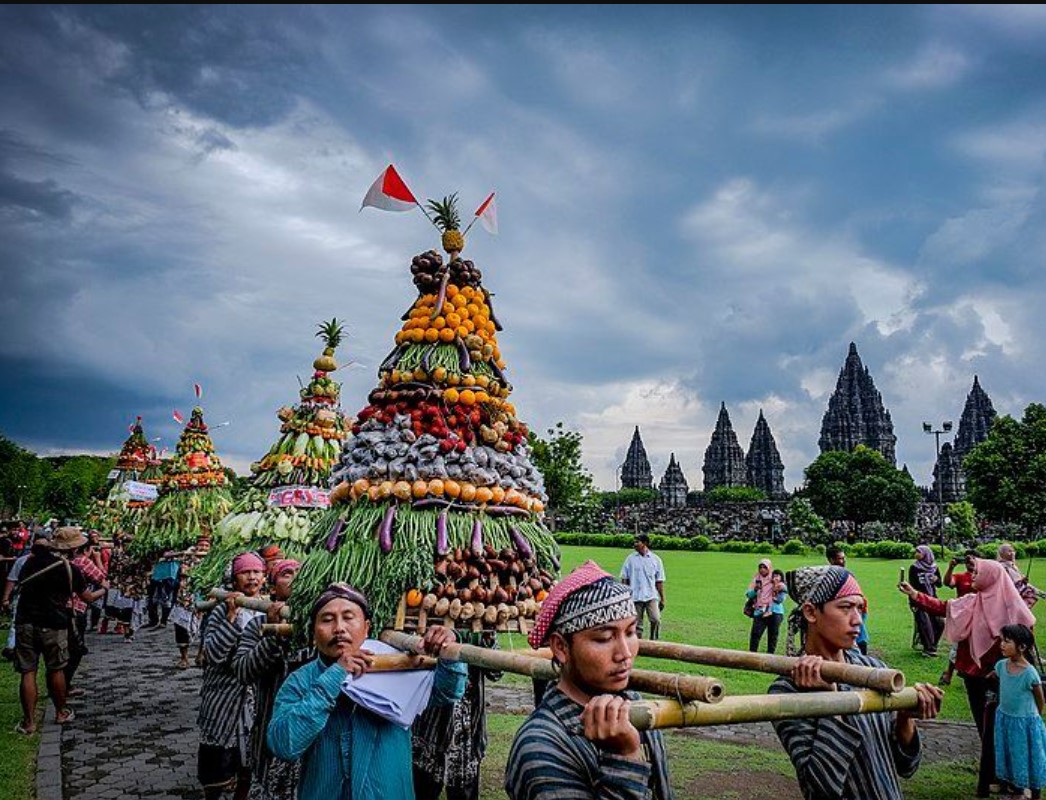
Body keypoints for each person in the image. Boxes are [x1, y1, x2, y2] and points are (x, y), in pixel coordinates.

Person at [267, 583, 467, 800]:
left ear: (366, 628)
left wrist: (449, 651)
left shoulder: (397, 666)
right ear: (314, 634)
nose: (339, 628)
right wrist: (335, 676)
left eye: (348, 617)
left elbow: (449, 692)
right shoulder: (301, 681)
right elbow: (284, 745)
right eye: (327, 619)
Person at [505, 560, 673, 800]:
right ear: (561, 647)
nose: (624, 653)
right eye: (604, 638)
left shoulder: (634, 705)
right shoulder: (540, 746)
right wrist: (625, 757)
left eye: (631, 632)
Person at [772, 565, 942, 800]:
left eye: (859, 609)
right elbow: (821, 786)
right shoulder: (787, 690)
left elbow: (906, 766)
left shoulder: (875, 672)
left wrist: (905, 717)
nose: (857, 620)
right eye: (845, 608)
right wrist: (830, 702)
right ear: (811, 612)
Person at [900, 558, 1037, 797]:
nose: (972, 577)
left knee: (1008, 728)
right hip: (974, 675)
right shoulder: (972, 602)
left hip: (1005, 679)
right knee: (985, 728)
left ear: (991, 577)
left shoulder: (1012, 606)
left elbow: (1025, 639)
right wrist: (915, 594)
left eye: (977, 573)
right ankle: (996, 776)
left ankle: (1017, 780)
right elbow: (943, 606)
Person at [12, 527, 100, 733]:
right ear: (75, 547)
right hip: (54, 623)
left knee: (28, 671)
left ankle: (29, 722)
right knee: (56, 669)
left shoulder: (29, 562)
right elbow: (87, 597)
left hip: (26, 621)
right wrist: (104, 589)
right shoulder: (69, 568)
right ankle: (61, 712)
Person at [197, 552, 268, 800]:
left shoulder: (267, 609)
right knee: (217, 763)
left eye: (256, 572)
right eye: (245, 572)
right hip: (223, 697)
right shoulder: (219, 610)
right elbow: (213, 654)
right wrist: (230, 617)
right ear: (235, 579)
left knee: (247, 763)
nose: (251, 577)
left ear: (264, 576)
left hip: (252, 699)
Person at [231, 558, 303, 800]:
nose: (295, 577)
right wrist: (272, 635)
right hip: (268, 728)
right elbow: (243, 671)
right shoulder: (258, 625)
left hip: (307, 735)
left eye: (300, 572)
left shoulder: (317, 625)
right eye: (287, 573)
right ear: (272, 588)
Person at [412, 630, 502, 800]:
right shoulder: (433, 630)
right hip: (432, 730)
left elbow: (496, 673)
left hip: (468, 733)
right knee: (423, 789)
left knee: (464, 794)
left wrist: (489, 640)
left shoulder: (478, 633)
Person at [994, 623, 1046, 799]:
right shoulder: (1001, 666)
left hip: (1025, 723)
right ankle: (1016, 789)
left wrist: (1036, 718)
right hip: (1006, 719)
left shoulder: (1030, 673)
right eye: (1002, 640)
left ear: (1022, 647)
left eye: (1007, 642)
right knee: (1012, 754)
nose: (1002, 645)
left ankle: (1035, 791)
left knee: (1030, 756)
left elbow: (1040, 699)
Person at [939, 550, 980, 686]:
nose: (971, 562)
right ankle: (949, 674)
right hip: (962, 618)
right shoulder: (961, 577)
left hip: (980, 618)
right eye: (968, 560)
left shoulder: (983, 577)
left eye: (974, 559)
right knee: (957, 646)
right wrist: (951, 567)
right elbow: (948, 583)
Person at [619, 533, 665, 640]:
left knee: (655, 619)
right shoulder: (630, 559)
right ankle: (638, 645)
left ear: (645, 543)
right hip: (635, 596)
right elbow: (624, 579)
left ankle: (654, 641)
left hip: (651, 596)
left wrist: (662, 599)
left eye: (637, 542)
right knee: (637, 625)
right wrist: (624, 596)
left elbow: (659, 581)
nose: (634, 544)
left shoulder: (656, 560)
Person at [909, 545, 944, 657]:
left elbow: (940, 584)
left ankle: (933, 645)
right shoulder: (914, 568)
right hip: (919, 600)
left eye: (918, 552)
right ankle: (928, 649)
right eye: (916, 552)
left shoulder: (934, 568)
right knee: (924, 623)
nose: (916, 554)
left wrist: (936, 579)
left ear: (926, 554)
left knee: (939, 623)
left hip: (933, 598)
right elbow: (912, 586)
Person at [746, 558, 781, 653]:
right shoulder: (756, 579)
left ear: (769, 568)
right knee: (755, 634)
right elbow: (748, 594)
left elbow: (783, 592)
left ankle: (770, 657)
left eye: (765, 567)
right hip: (760, 610)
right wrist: (755, 589)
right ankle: (751, 657)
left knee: (772, 636)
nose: (762, 569)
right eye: (760, 567)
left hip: (775, 611)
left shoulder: (776, 577)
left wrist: (777, 584)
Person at [144, 550, 181, 629]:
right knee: (152, 598)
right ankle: (154, 620)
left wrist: (170, 555)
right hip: (157, 574)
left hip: (169, 575)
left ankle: (163, 621)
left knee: (166, 599)